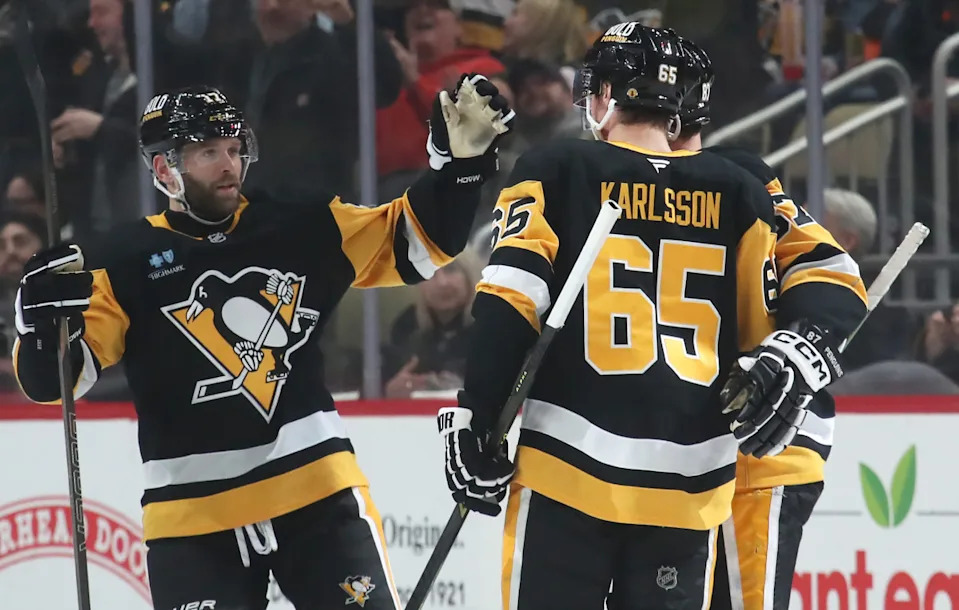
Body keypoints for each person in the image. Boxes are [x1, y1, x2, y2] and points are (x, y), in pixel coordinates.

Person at [13, 79, 513, 609]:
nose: (229, 165)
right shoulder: (122, 261)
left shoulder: (300, 225)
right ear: (164, 171)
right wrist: (40, 327)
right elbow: (58, 384)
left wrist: (458, 171)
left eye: (233, 149)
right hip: (192, 518)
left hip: (316, 494)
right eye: (208, 153)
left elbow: (419, 244)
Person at [437, 23, 808, 609]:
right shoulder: (742, 192)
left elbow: (512, 303)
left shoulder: (555, 167)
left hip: (568, 467)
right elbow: (758, 333)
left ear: (606, 96)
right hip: (689, 480)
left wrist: (479, 416)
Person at [669, 36, 868, 610]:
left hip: (761, 448)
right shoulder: (600, 183)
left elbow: (829, 271)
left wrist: (797, 349)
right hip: (664, 453)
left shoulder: (741, 178)